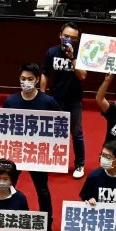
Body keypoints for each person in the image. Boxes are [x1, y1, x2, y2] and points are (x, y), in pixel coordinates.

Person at [0, 63, 60, 231]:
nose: (26, 82)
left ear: (37, 80)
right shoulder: (10, 102)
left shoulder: (48, 102)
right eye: (23, 79)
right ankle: (6, 221)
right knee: (8, 187)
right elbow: (1, 127)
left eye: (30, 79)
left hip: (38, 155)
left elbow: (60, 126)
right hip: (15, 153)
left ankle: (46, 226)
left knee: (42, 191)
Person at [41, 22, 86, 179]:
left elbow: (82, 76)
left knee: (76, 133)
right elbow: (45, 74)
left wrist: (72, 57)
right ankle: (53, 161)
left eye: (73, 38)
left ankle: (79, 164)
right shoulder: (51, 52)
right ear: (60, 36)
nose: (69, 40)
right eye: (66, 36)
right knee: (52, 133)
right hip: (55, 99)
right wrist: (42, 95)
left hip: (74, 100)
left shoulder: (81, 53)